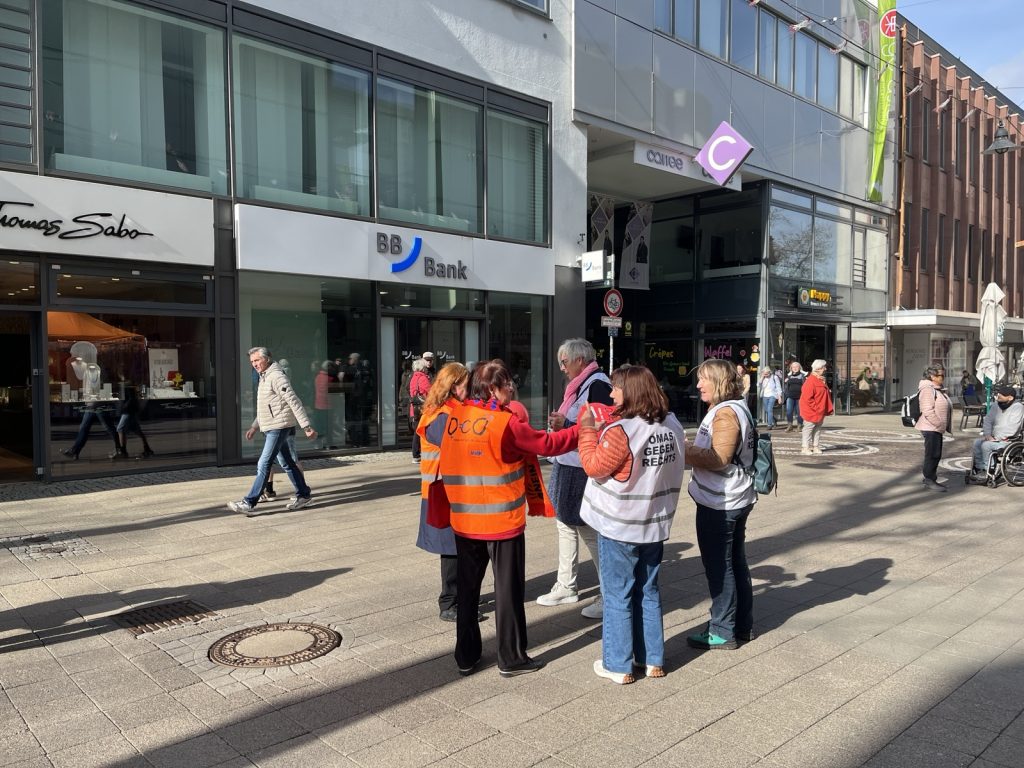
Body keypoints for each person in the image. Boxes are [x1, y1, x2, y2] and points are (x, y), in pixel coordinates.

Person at [429, 359, 579, 678]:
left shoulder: (453, 417)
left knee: (468, 593)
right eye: (508, 383)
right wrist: (583, 429)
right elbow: (548, 444)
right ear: (494, 388)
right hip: (501, 524)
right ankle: (510, 657)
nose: (512, 388)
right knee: (508, 592)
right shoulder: (504, 423)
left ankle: (466, 657)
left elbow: (432, 432)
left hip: (464, 522)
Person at [577, 366, 685, 684]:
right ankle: (653, 660)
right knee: (648, 590)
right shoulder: (673, 424)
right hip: (654, 522)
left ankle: (618, 664)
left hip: (620, 524)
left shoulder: (622, 431)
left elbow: (593, 466)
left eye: (616, 388)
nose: (611, 394)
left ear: (631, 391)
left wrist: (586, 431)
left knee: (617, 594)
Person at [537, 338, 613, 619]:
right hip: (567, 462)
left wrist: (565, 424)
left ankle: (608, 594)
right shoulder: (581, 384)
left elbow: (603, 425)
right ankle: (566, 584)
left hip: (580, 465)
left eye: (565, 361)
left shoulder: (597, 385)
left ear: (580, 360)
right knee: (566, 524)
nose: (562, 367)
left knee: (585, 529)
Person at [685, 358, 756, 651]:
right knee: (735, 563)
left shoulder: (726, 413)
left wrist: (685, 450)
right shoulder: (735, 408)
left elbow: (719, 458)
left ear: (719, 382)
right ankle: (741, 626)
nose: (698, 384)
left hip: (722, 502)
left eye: (704, 379)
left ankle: (723, 630)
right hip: (734, 498)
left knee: (720, 567)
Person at [228, 347, 317, 516]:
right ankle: (304, 495)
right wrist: (255, 426)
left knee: (264, 463)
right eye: (252, 362)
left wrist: (306, 426)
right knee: (287, 463)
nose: (254, 364)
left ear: (267, 359)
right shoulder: (264, 376)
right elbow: (266, 407)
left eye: (257, 360)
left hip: (279, 426)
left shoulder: (276, 376)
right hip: (272, 426)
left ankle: (249, 502)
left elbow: (294, 401)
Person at [416, 362, 471, 621]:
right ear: (453, 386)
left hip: (449, 490)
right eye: (465, 385)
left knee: (457, 547)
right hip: (442, 492)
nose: (468, 390)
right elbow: (457, 450)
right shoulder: (441, 416)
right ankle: (448, 603)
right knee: (450, 549)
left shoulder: (449, 411)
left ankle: (459, 596)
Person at [969, 385, 1024, 482]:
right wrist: (988, 434)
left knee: (986, 446)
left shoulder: (1018, 407)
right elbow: (988, 421)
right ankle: (979, 469)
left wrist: (997, 437)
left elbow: (1013, 427)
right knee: (977, 442)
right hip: (994, 437)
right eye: (998, 394)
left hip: (1009, 440)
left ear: (1010, 397)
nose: (998, 396)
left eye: (1002, 395)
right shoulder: (996, 405)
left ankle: (988, 470)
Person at [917, 365, 952, 492]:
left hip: (936, 427)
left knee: (936, 454)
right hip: (930, 427)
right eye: (940, 375)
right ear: (932, 376)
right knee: (932, 454)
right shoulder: (927, 389)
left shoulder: (937, 389)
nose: (943, 377)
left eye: (943, 375)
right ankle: (929, 479)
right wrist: (939, 424)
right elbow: (927, 410)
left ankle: (932, 478)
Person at [798, 359, 833, 456]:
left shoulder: (820, 379)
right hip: (812, 410)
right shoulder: (810, 381)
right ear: (818, 368)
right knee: (808, 429)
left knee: (817, 429)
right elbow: (806, 398)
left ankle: (815, 446)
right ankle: (805, 447)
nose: (825, 369)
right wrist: (816, 408)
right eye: (824, 367)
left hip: (820, 409)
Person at [112, 381, 154, 459]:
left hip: (128, 411)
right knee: (136, 430)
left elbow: (131, 398)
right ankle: (147, 449)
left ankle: (123, 451)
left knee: (120, 429)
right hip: (130, 410)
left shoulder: (127, 384)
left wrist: (123, 407)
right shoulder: (127, 384)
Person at [409, 357, 432, 461]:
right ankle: (417, 454)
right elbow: (430, 392)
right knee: (422, 431)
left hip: (414, 409)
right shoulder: (423, 378)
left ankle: (416, 454)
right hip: (423, 408)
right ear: (422, 368)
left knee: (417, 431)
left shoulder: (413, 377)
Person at [783, 360, 806, 433]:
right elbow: (786, 386)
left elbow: (805, 385)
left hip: (800, 396)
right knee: (789, 411)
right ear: (791, 368)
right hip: (790, 396)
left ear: (799, 368)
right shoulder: (789, 376)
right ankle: (790, 425)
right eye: (793, 367)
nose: (795, 368)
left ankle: (800, 425)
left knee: (799, 412)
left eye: (796, 367)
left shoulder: (803, 376)